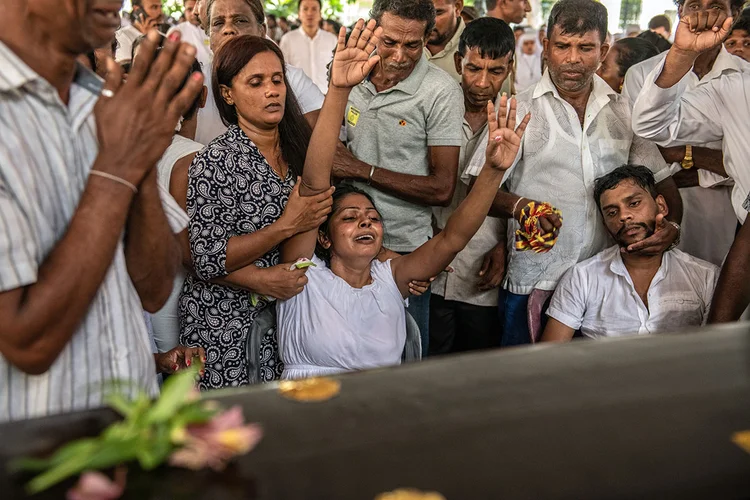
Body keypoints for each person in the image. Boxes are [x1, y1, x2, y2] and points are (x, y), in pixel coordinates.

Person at [277, 20, 530, 380]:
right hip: (312, 413)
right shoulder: (303, 276)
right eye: (350, 217)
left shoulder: (392, 279)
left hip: (383, 413)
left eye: (372, 217)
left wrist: (492, 171)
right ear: (323, 236)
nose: (366, 221)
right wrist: (338, 91)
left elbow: (453, 238)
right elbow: (316, 185)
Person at [0, 1, 206, 422]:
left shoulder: (104, 103)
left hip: (137, 431)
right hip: (37, 457)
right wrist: (118, 169)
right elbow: (28, 343)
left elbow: (154, 288)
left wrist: (140, 159)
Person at [464, 0, 682, 346]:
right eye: (563, 46)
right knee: (527, 383)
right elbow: (478, 186)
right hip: (535, 277)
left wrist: (671, 227)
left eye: (586, 48)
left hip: (608, 277)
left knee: (592, 388)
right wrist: (521, 207)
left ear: (603, 49)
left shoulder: (625, 111)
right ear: (547, 48)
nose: (573, 59)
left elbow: (663, 183)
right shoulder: (520, 108)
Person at [180, 35, 335, 389]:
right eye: (256, 81)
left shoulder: (298, 152)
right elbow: (205, 258)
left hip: (288, 318)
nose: (272, 90)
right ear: (228, 94)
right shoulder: (215, 160)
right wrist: (284, 226)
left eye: (277, 79)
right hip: (224, 325)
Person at [332, 0, 465, 355]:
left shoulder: (441, 91)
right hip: (345, 241)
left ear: (427, 38)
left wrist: (362, 170)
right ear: (373, 28)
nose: (400, 55)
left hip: (406, 249)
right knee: (345, 350)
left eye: (412, 44)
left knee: (404, 355)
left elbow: (442, 188)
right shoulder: (351, 73)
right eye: (389, 41)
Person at [625, 0, 748, 266]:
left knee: (722, 276)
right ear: (680, 11)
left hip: (728, 212)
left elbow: (742, 161)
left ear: (734, 14)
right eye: (693, 4)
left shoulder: (741, 79)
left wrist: (685, 155)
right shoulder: (645, 74)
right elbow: (645, 140)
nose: (702, 14)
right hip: (662, 205)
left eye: (715, 5)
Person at [541, 165, 718, 342]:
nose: (623, 216)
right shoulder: (582, 278)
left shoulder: (706, 276)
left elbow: (718, 353)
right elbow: (550, 358)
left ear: (661, 206)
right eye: (612, 212)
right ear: (605, 224)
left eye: (634, 203)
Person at [428, 18, 515, 355]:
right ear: (457, 63)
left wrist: (505, 245)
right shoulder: (433, 110)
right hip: (430, 268)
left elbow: (523, 186)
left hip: (483, 272)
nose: (482, 82)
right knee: (428, 364)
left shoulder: (519, 121)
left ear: (510, 68)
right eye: (473, 68)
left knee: (475, 368)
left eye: (495, 71)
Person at [196, 0, 325, 145]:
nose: (228, 29)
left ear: (262, 31)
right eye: (218, 23)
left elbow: (328, 148)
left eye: (240, 21)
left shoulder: (293, 79)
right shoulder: (194, 86)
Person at [280, 0, 338, 94]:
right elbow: (283, 70)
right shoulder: (288, 39)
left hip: (326, 96)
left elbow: (335, 69)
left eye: (314, 9)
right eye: (305, 9)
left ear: (320, 13)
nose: (310, 13)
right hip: (297, 97)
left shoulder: (331, 39)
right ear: (299, 13)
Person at [425, 0, 465, 82]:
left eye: (437, 13)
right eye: (421, 12)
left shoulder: (479, 47)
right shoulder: (399, 44)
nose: (427, 22)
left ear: (457, 8)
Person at [167, 0, 212, 71]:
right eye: (189, 9)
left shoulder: (212, 29)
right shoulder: (176, 32)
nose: (194, 12)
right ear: (184, 11)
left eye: (197, 8)